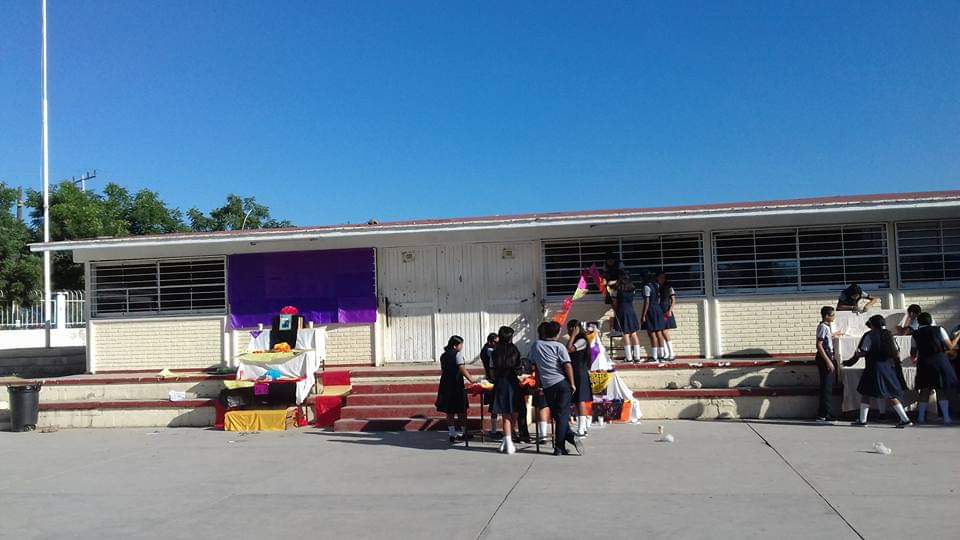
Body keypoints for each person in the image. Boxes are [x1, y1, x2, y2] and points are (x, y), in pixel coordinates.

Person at [842, 315, 913, 427]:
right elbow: (896, 353)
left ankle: (862, 420)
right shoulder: (890, 335)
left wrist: (855, 356)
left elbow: (863, 352)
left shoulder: (870, 336)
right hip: (888, 368)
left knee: (866, 393)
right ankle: (905, 419)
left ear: (872, 325)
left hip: (873, 367)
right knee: (891, 395)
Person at [529, 321, 585, 456]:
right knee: (562, 416)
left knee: (558, 415)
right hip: (561, 383)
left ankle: (565, 443)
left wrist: (537, 384)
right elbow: (567, 365)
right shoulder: (559, 347)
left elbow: (534, 366)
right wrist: (572, 383)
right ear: (557, 333)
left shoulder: (536, 345)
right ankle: (561, 445)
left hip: (547, 385)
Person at [910, 312, 958, 425]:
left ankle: (921, 417)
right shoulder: (939, 329)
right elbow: (950, 346)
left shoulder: (915, 334)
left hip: (924, 363)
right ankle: (946, 418)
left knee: (925, 390)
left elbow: (913, 352)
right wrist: (958, 337)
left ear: (919, 322)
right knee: (940, 390)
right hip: (939, 361)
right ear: (931, 320)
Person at [435, 335, 476, 442]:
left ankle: (452, 434)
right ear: (455, 346)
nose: (462, 346)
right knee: (461, 410)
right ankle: (464, 432)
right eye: (461, 344)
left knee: (449, 411)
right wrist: (472, 380)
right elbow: (462, 369)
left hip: (445, 384)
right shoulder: (458, 355)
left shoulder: (443, 355)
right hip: (456, 385)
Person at [489, 326, 522, 453]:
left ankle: (506, 440)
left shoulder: (494, 352)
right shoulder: (514, 350)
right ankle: (509, 441)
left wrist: (494, 378)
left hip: (501, 382)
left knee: (505, 413)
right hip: (513, 382)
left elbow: (491, 369)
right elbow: (518, 367)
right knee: (513, 412)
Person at [815, 306, 842, 422]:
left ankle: (825, 412)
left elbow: (826, 338)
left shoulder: (826, 327)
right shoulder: (822, 326)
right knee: (826, 386)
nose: (834, 317)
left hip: (827, 355)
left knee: (828, 386)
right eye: (832, 315)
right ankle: (824, 414)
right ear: (826, 316)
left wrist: (834, 334)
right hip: (825, 356)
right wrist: (828, 361)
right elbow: (819, 345)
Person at [566, 319, 592, 437]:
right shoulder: (575, 339)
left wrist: (573, 336)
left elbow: (569, 349)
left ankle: (582, 428)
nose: (569, 331)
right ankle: (582, 426)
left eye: (570, 328)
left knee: (580, 400)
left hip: (580, 373)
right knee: (576, 401)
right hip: (574, 372)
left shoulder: (582, 340)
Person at [611, 271, 642, 363]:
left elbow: (615, 303)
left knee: (626, 334)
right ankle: (637, 357)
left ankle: (629, 358)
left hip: (622, 311)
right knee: (634, 334)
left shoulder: (617, 289)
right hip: (631, 310)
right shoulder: (633, 288)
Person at [641, 271, 667, 362]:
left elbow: (647, 302)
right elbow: (659, 298)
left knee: (652, 334)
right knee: (659, 334)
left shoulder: (646, 287)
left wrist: (643, 315)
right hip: (658, 309)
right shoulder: (657, 285)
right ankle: (662, 356)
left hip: (651, 310)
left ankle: (655, 357)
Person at [479, 332, 500, 438]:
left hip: (491, 378)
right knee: (495, 407)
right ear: (490, 342)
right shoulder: (489, 351)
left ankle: (494, 429)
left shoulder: (486, 350)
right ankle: (494, 430)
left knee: (495, 407)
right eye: (496, 342)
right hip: (493, 380)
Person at [657, 272, 677, 361]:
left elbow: (673, 300)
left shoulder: (669, 288)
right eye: (660, 277)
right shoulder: (656, 287)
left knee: (665, 332)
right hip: (659, 311)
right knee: (660, 332)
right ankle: (666, 353)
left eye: (663, 277)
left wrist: (670, 310)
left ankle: (671, 353)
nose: (662, 279)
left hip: (666, 310)